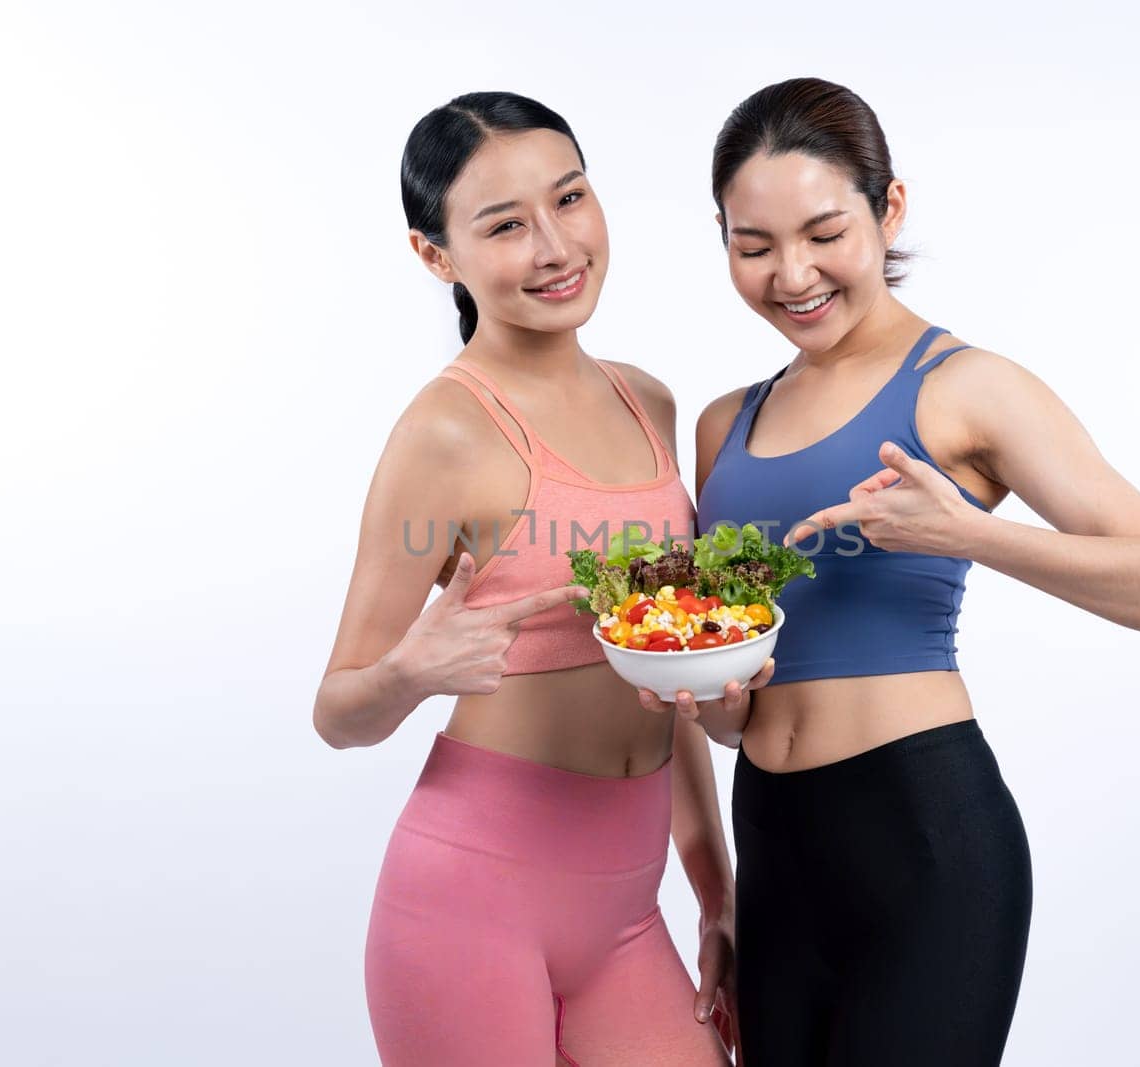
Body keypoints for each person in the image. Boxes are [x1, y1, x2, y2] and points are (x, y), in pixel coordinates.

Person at [642, 77, 1140, 1065]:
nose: (792, 274)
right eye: (754, 246)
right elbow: (736, 701)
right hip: (773, 847)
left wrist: (970, 533)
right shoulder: (720, 423)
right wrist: (716, 701)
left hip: (923, 839)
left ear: (889, 208)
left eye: (825, 232)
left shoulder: (966, 388)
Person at [315, 92, 750, 1065]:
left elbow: (664, 685)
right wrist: (409, 671)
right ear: (437, 256)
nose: (555, 246)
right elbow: (338, 708)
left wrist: (716, 898)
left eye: (571, 199)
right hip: (470, 904)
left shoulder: (648, 402)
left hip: (628, 913)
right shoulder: (445, 433)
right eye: (505, 224)